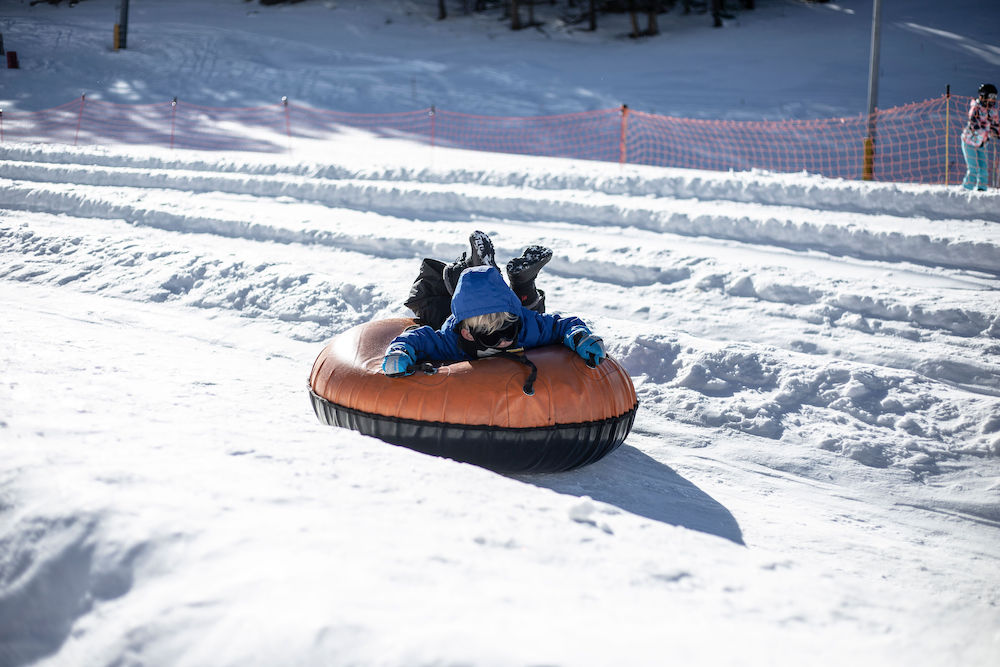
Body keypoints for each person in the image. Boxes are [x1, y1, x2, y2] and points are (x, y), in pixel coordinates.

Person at [382, 231, 606, 377]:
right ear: (468, 334)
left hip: (515, 310)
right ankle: (517, 283)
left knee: (529, 313)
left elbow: (560, 325)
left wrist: (580, 336)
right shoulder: (453, 340)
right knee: (437, 311)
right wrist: (401, 351)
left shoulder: (524, 328)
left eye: (508, 330)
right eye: (491, 337)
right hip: (465, 312)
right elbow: (419, 339)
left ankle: (502, 280)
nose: (504, 341)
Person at [961, 82, 1000, 191]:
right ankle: (966, 189)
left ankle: (981, 190)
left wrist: (997, 133)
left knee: (983, 169)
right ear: (982, 97)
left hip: (982, 143)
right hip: (969, 141)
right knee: (973, 168)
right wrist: (989, 130)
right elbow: (974, 125)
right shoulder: (976, 108)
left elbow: (995, 125)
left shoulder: (993, 111)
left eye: (994, 98)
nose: (992, 101)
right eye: (990, 97)